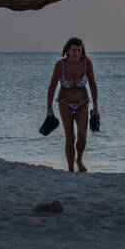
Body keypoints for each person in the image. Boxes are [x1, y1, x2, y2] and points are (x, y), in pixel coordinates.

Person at [46, 37, 99, 172]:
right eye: (73, 50)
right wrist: (49, 109)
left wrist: (96, 107)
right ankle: (70, 168)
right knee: (70, 136)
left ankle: (79, 159)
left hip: (83, 102)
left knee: (82, 134)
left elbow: (93, 85)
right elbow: (52, 86)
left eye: (79, 50)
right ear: (67, 51)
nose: (76, 53)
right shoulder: (60, 65)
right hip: (65, 103)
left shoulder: (87, 63)